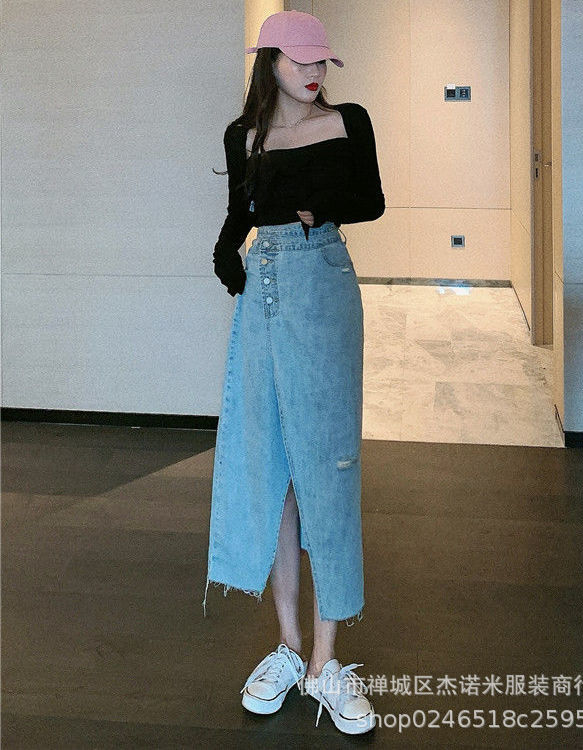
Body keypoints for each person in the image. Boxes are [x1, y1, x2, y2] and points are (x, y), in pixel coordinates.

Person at [202, 10, 385, 736]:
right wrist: (226, 256)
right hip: (264, 292)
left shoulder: (348, 122)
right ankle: (287, 644)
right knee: (272, 465)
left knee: (328, 467)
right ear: (270, 61)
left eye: (319, 62)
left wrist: (314, 209)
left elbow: (370, 200)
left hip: (324, 282)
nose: (312, 73)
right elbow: (238, 217)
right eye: (300, 61)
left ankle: (327, 661)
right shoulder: (242, 135)